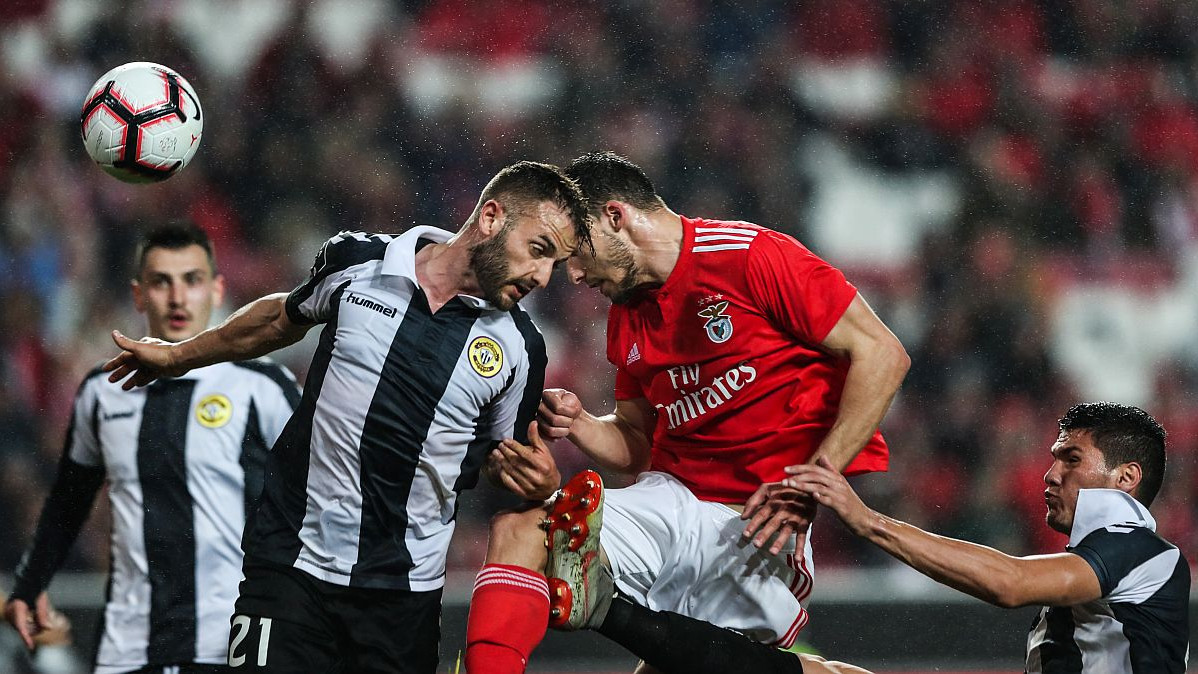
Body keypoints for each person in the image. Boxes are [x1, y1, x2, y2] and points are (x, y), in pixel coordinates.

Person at [102, 161, 591, 674]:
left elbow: (503, 460)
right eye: (539, 250)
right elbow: (280, 318)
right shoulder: (358, 261)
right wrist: (179, 356)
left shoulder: (521, 347)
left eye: (554, 265)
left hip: (402, 595)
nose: (541, 276)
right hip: (290, 566)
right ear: (491, 218)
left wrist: (540, 481)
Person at [466, 151, 909, 674]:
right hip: (671, 503)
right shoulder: (626, 315)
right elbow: (636, 444)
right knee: (523, 530)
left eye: (577, 255)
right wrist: (583, 424)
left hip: (757, 523)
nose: (576, 276)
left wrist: (813, 479)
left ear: (616, 216)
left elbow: (883, 353)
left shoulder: (749, 256)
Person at [4, 223, 301, 674]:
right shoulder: (102, 391)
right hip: (128, 647)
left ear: (217, 289)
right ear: (139, 295)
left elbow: (315, 496)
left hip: (230, 645)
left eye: (192, 280)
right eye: (162, 282)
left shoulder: (264, 386)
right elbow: (69, 500)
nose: (178, 297)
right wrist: (29, 586)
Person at [786, 402, 1190, 673]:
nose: (1050, 475)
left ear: (1126, 477)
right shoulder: (1115, 564)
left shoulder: (1143, 551)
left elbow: (1010, 582)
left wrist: (868, 521)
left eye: (1072, 459)